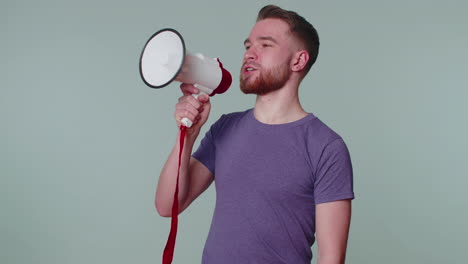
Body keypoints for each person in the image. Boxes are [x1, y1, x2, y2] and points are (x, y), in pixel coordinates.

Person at [156, 5, 354, 264]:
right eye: (248, 45)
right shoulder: (225, 129)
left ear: (298, 60)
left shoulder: (326, 147)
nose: (250, 53)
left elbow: (331, 258)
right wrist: (189, 135)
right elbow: (166, 205)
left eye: (266, 45)